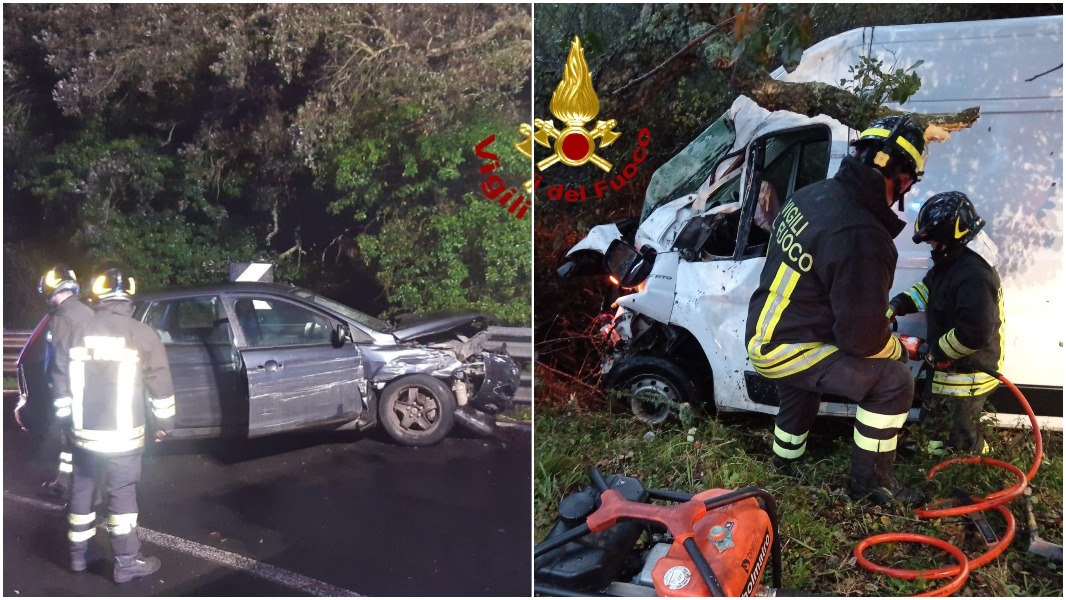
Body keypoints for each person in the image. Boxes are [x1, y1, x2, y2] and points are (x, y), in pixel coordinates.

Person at [745, 115, 927, 506]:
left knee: (802, 385)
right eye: (911, 181)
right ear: (898, 176)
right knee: (893, 382)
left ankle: (784, 462)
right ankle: (872, 488)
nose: (908, 190)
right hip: (790, 345)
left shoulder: (812, 195)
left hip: (764, 333)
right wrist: (899, 347)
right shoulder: (862, 235)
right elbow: (861, 340)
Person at [52, 268, 176, 582]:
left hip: (83, 435)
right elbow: (160, 384)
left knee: (82, 489)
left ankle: (79, 556)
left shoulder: (77, 331)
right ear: (128, 297)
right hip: (124, 437)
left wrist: (66, 423)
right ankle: (126, 562)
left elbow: (59, 382)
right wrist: (164, 423)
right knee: (121, 496)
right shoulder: (142, 333)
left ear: (98, 295)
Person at [888, 191, 1003, 455]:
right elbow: (929, 290)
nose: (930, 246)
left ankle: (967, 469)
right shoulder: (952, 263)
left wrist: (933, 351)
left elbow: (974, 333)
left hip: (968, 374)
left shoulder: (973, 274)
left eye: (933, 240)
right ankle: (932, 457)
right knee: (935, 420)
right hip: (947, 370)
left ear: (951, 235)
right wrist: (897, 305)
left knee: (960, 433)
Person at [37, 265, 94, 499]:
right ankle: (65, 482)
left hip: (70, 390)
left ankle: (77, 490)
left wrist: (60, 401)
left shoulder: (61, 319)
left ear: (53, 288)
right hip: (91, 388)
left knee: (70, 438)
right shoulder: (88, 313)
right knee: (75, 442)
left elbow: (59, 362)